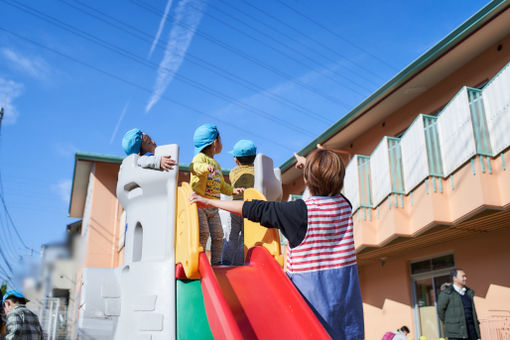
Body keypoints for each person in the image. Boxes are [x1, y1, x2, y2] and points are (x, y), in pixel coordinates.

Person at [190, 149, 364, 339]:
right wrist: (310, 166)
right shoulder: (344, 206)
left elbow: (253, 208)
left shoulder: (300, 212)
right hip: (348, 316)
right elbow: (328, 182)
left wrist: (210, 202)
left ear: (307, 179)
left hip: (312, 317)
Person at [190, 124, 243, 265]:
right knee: (203, 233)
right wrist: (205, 168)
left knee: (218, 235)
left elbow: (221, 185)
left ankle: (216, 263)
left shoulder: (216, 165)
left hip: (213, 208)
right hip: (200, 205)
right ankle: (199, 262)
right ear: (215, 142)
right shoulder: (199, 158)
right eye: (220, 139)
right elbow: (194, 167)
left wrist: (232, 190)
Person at [222, 139, 256, 265]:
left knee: (232, 235)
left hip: (235, 207)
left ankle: (226, 260)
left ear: (236, 160)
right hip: (250, 207)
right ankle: (240, 262)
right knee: (245, 238)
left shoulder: (233, 172)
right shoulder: (257, 171)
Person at [437, 268, 480, 340]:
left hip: (471, 332)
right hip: (456, 335)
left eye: (465, 276)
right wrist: (451, 324)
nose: (465, 278)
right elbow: (440, 311)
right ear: (455, 278)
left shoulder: (468, 293)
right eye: (463, 276)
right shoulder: (446, 293)